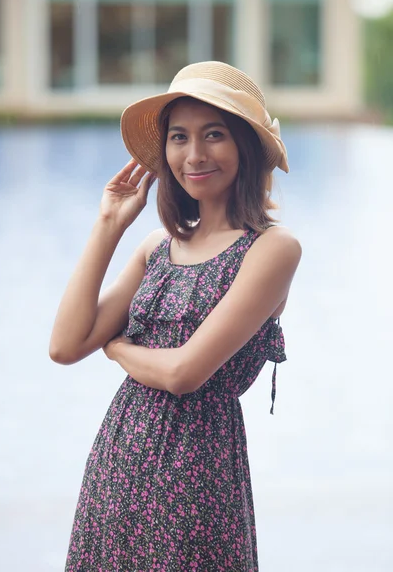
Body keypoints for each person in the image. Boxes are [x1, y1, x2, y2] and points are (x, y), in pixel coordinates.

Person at [50, 61, 302, 571]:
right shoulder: (158, 246)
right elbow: (65, 345)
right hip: (117, 470)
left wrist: (117, 347)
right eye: (179, 137)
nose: (195, 155)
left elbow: (185, 374)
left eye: (215, 135)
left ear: (246, 149)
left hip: (198, 481)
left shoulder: (272, 249)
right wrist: (108, 225)